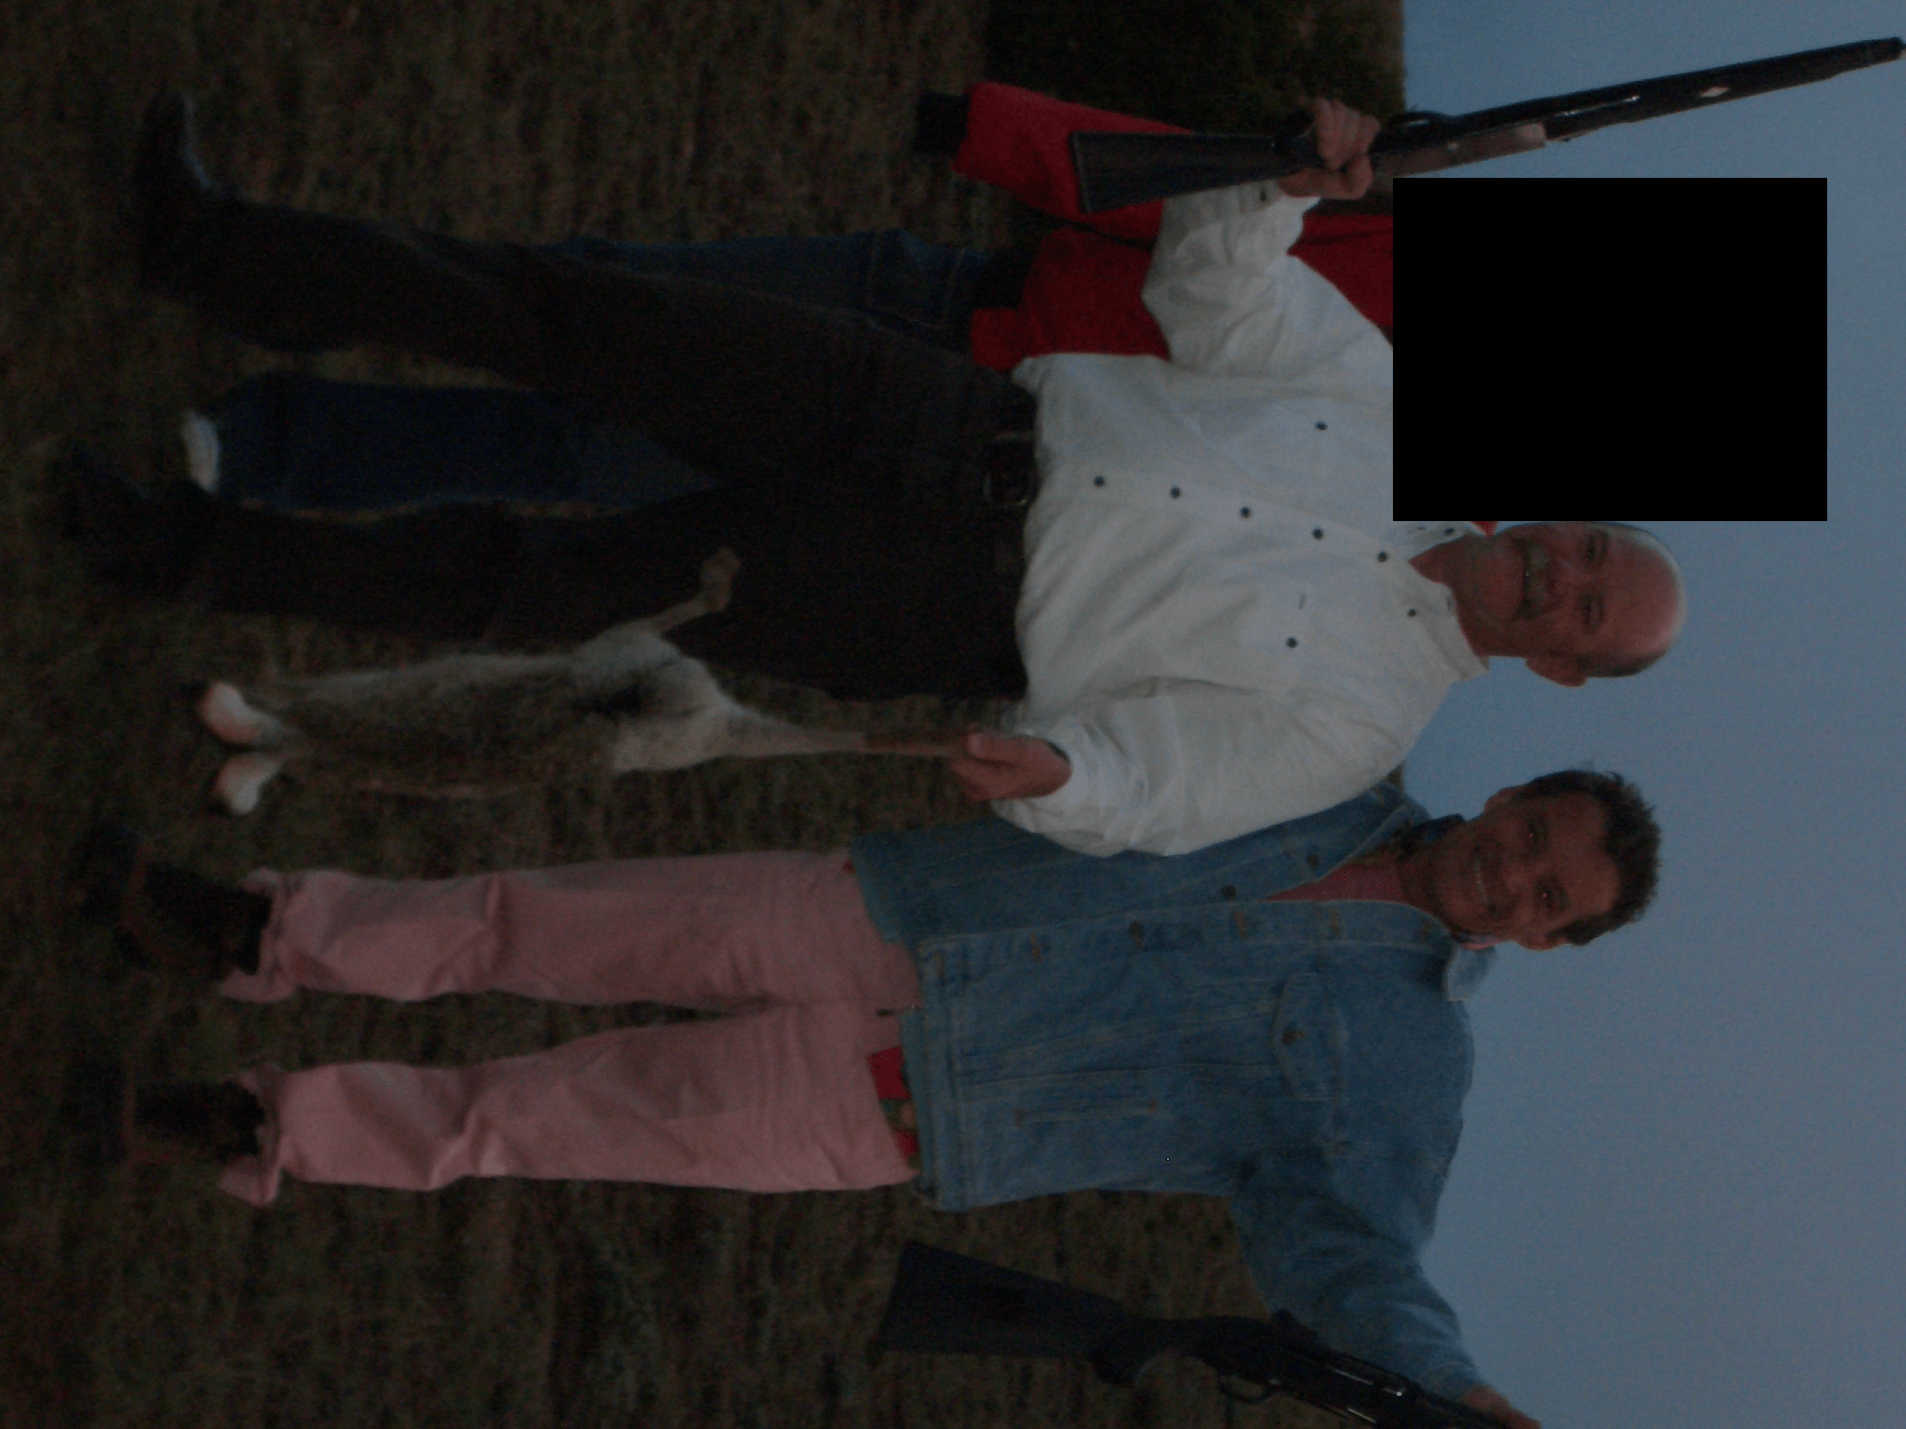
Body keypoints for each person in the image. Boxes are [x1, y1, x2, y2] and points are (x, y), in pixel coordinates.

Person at [71, 92, 1685, 857]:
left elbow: (1172, 784)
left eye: (1582, 610)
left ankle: (184, 551)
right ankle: (218, 250)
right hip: (940, 412)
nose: (1562, 573)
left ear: (1555, 664)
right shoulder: (1385, 403)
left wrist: (1065, 779)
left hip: (915, 599)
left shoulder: (1358, 725)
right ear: (1563, 516)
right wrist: (1280, 186)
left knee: (539, 584)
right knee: (574, 317)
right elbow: (1216, 292)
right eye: (1589, 550)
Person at [74, 766, 1662, 1429]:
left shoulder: (1413, 1075)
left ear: (1542, 943)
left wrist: (1456, 1395)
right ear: (1515, 795)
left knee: (522, 1117)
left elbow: (1354, 1260)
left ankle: (257, 1129)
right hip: (889, 907)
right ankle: (255, 931)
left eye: (1546, 896)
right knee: (530, 916)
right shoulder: (1332, 767)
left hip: (888, 1102)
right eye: (1535, 832)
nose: (1512, 869)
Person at [162, 84, 1394, 517]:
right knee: (583, 284)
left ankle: (268, 450)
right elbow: (1209, 191)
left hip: (948, 428)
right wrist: (998, 132)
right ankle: (247, 265)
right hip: (952, 291)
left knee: (584, 449)